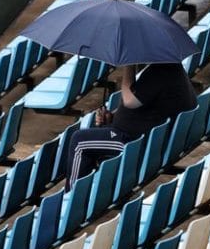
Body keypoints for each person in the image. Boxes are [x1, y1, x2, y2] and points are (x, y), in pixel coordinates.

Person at [65, 62, 197, 190]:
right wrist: (112, 117)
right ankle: (84, 191)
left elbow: (129, 101)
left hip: (135, 145)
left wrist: (129, 66)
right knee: (89, 137)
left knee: (79, 142)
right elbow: (147, 105)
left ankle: (72, 194)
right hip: (146, 140)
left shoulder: (160, 73)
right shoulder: (171, 69)